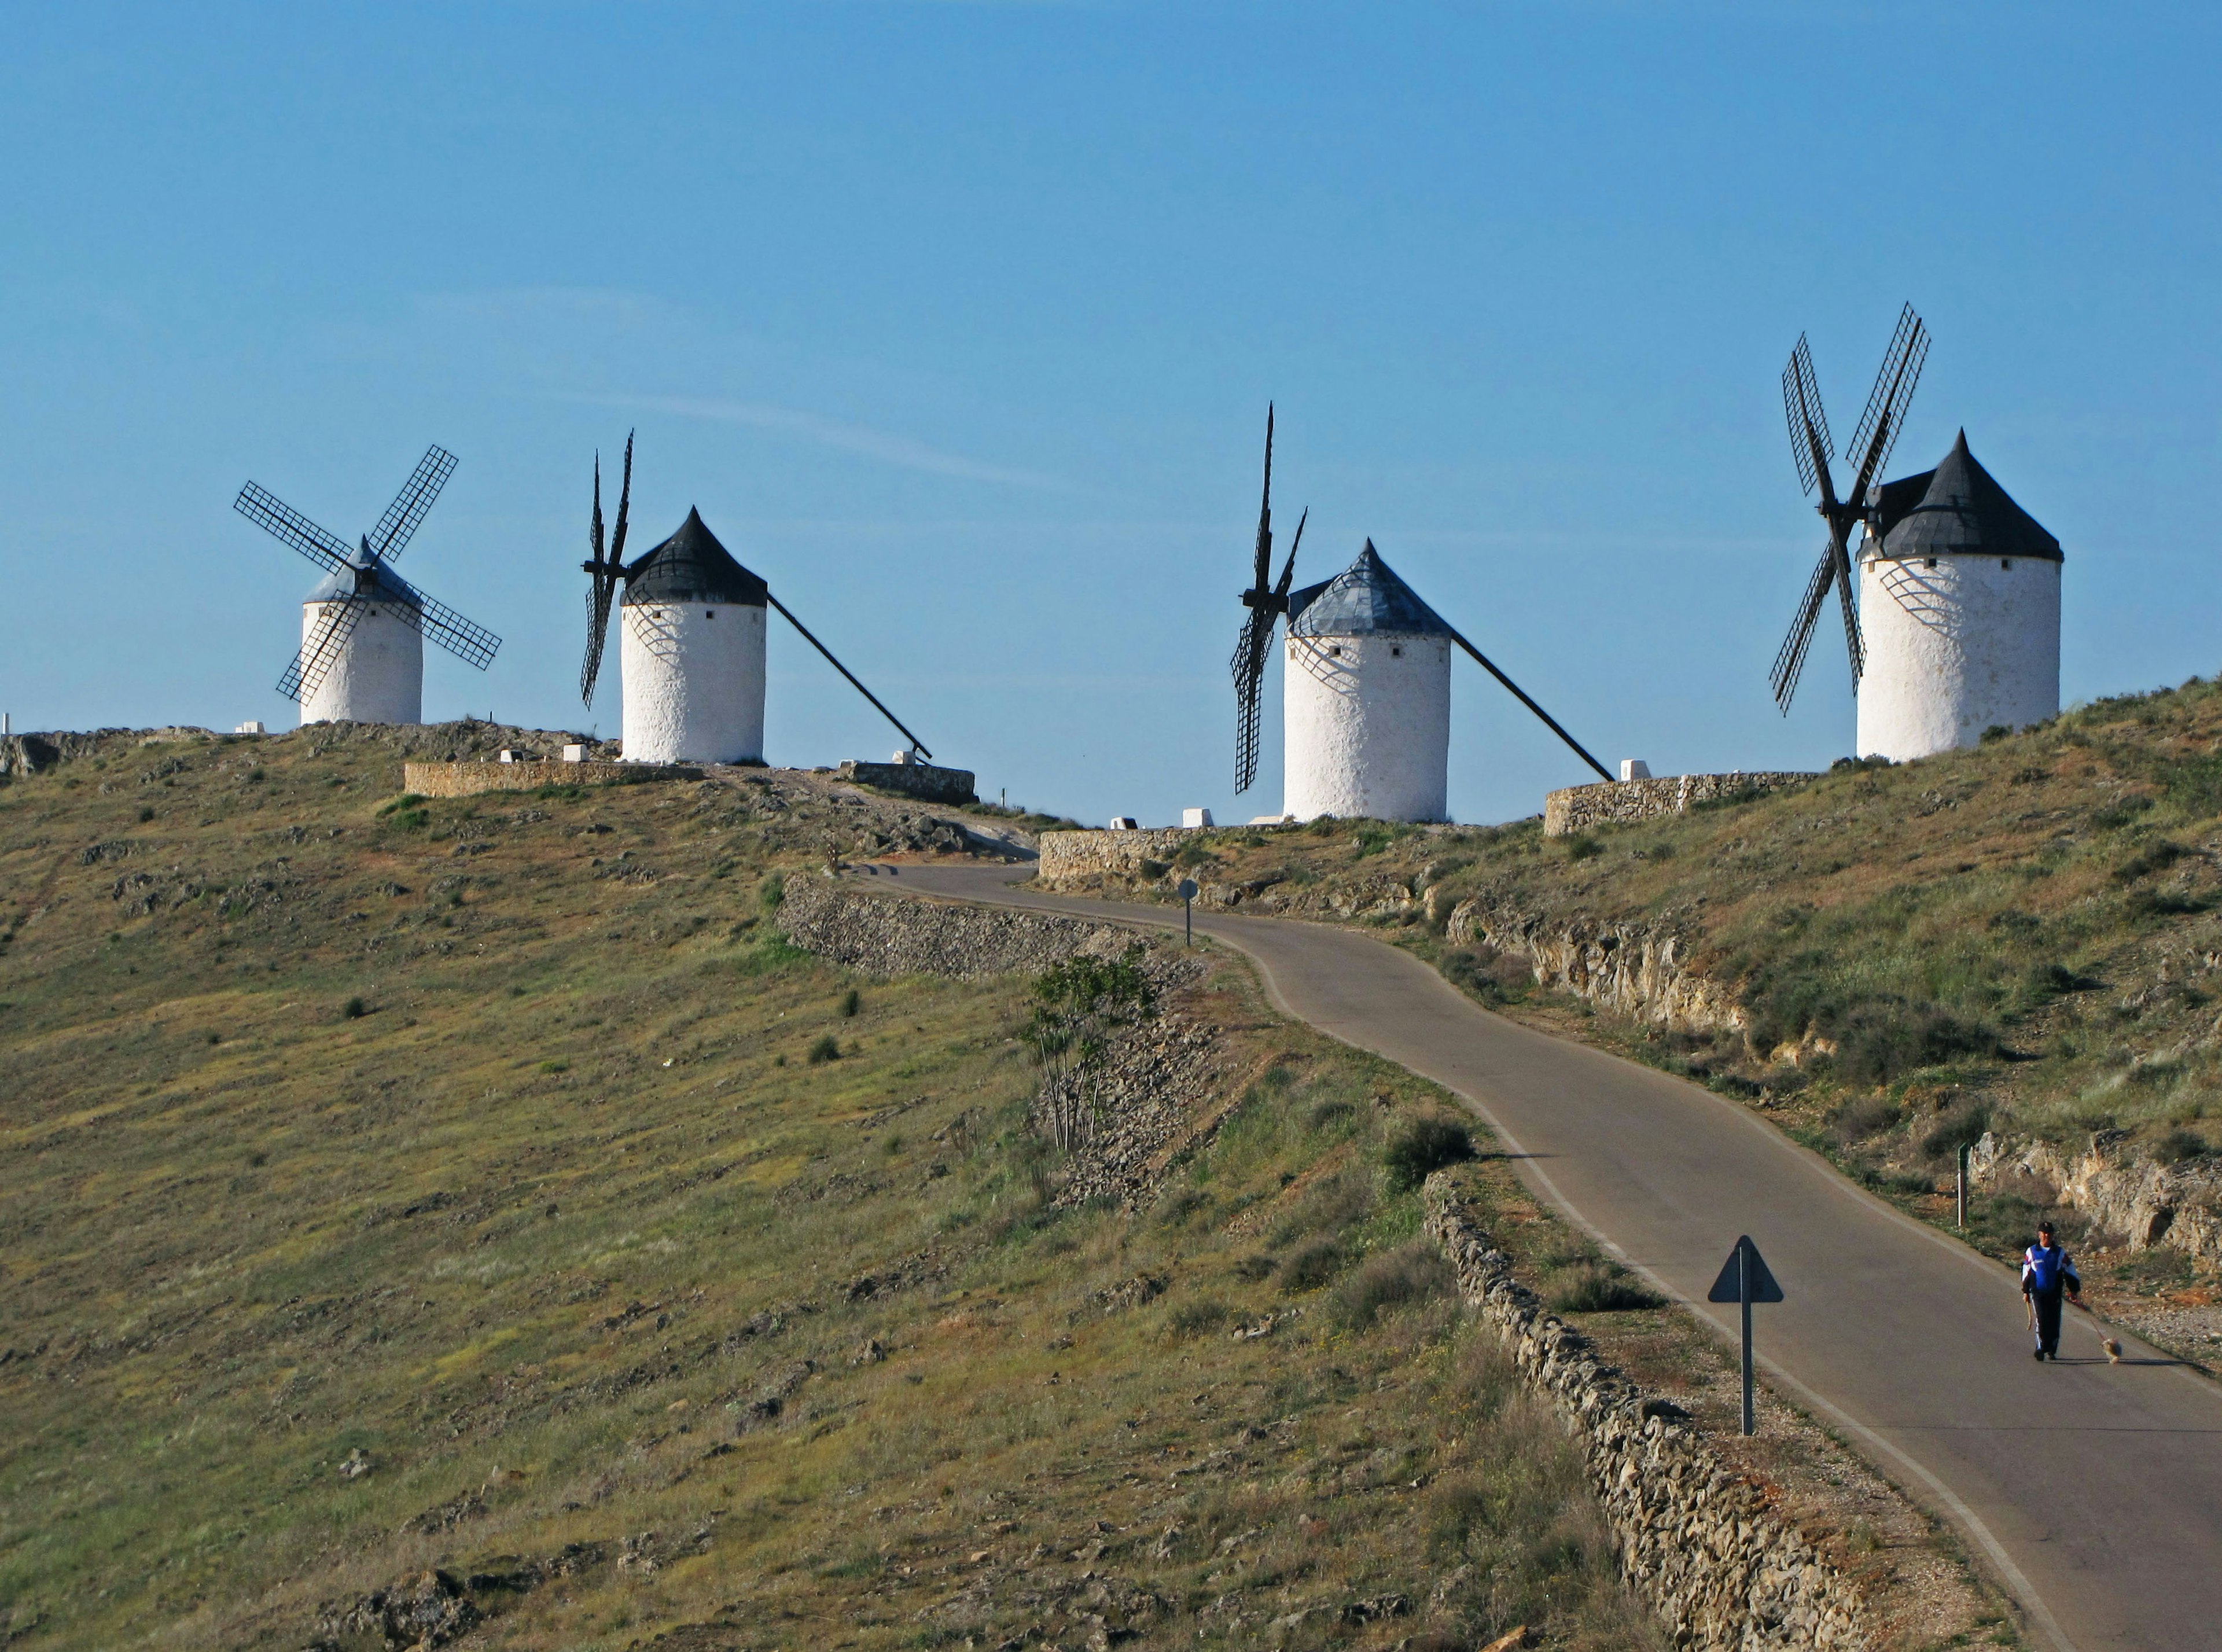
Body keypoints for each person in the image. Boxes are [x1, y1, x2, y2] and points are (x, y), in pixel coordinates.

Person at [2021, 1220, 2081, 1361]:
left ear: (2053, 1235)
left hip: (2054, 1293)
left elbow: (2070, 1271)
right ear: (2039, 1234)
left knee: (2054, 1322)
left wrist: (2074, 1290)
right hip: (2038, 1292)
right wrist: (2025, 1291)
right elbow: (2026, 1271)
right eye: (2044, 1233)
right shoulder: (2032, 1252)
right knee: (2041, 1320)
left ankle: (2052, 1349)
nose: (2047, 1236)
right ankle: (2041, 1348)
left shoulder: (2060, 1253)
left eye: (2049, 1233)